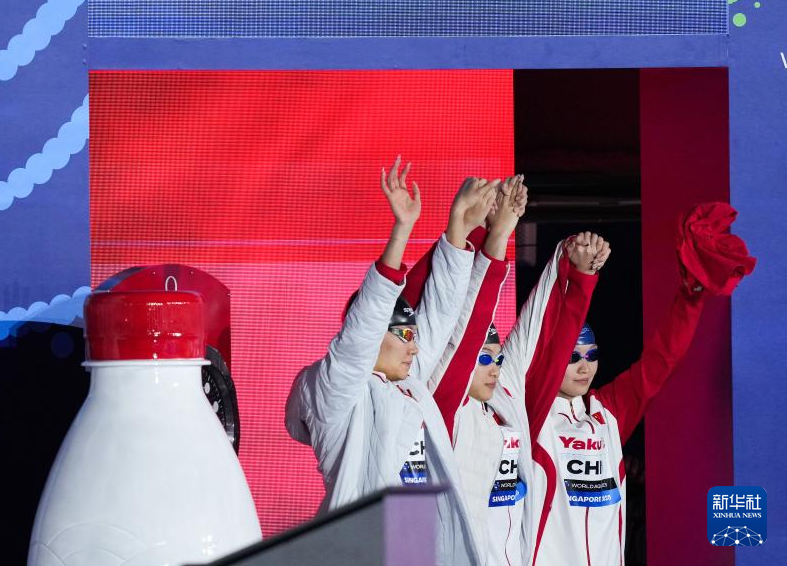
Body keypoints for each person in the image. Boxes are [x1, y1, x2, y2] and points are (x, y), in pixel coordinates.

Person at [285, 157, 498, 566]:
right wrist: (402, 230)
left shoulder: (408, 387)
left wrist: (459, 229)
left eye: (414, 337)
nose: (415, 348)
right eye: (404, 335)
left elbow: (441, 312)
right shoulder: (338, 394)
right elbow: (363, 327)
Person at [530, 202, 755, 566]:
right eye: (573, 357)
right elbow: (549, 333)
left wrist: (691, 295)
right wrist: (579, 275)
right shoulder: (531, 413)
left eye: (591, 354)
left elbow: (661, 360)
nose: (585, 366)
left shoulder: (608, 412)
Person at [407, 176, 611, 566]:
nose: (495, 367)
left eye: (497, 358)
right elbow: (461, 315)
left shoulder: (506, 401)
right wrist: (483, 233)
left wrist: (576, 272)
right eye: (483, 358)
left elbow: (539, 334)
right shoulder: (444, 407)